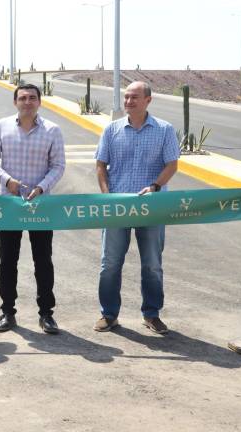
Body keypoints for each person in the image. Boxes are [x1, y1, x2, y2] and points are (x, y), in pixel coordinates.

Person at [94, 81, 180, 334]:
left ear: (148, 100)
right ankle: (109, 314)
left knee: (152, 264)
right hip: (118, 207)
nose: (129, 101)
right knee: (109, 263)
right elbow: (101, 165)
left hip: (151, 207)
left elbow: (172, 165)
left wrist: (154, 186)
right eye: (126, 97)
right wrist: (108, 197)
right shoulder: (111, 130)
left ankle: (151, 314)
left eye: (134, 97)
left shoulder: (164, 130)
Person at [0, 83, 66, 334]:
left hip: (41, 206)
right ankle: (7, 311)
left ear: (39, 102)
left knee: (43, 261)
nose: (27, 102)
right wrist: (6, 180)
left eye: (32, 98)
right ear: (15, 102)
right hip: (10, 205)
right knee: (7, 260)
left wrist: (41, 187)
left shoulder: (52, 130)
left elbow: (58, 165)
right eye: (22, 98)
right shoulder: (2, 126)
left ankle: (46, 314)